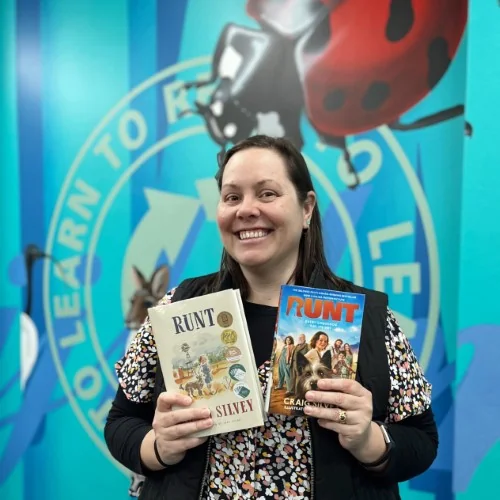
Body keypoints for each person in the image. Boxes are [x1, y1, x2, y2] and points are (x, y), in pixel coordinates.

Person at [104, 135, 438, 499]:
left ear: (306, 208)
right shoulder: (179, 307)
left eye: (267, 194)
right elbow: (121, 422)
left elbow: (421, 439)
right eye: (232, 197)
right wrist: (157, 447)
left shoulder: (366, 317)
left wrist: (368, 439)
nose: (246, 209)